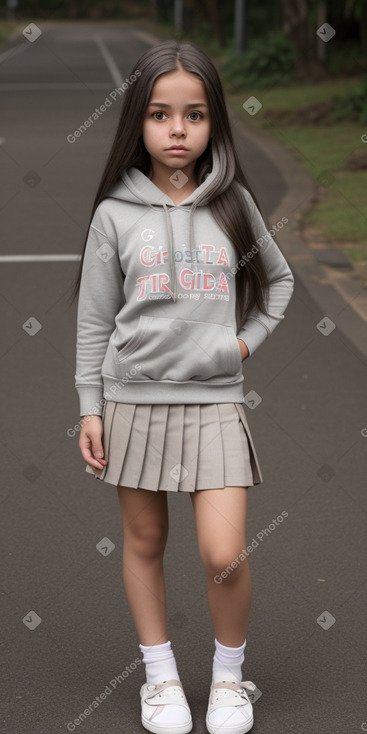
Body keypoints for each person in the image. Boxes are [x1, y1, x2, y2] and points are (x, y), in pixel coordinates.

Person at [71, 39, 294, 734]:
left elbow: (279, 283)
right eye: (161, 114)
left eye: (193, 114)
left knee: (224, 554)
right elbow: (93, 317)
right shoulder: (114, 214)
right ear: (136, 121)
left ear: (212, 122)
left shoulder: (232, 205)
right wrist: (89, 407)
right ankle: (160, 678)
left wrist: (239, 344)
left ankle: (230, 680)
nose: (176, 129)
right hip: (131, 399)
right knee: (143, 541)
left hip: (215, 403)